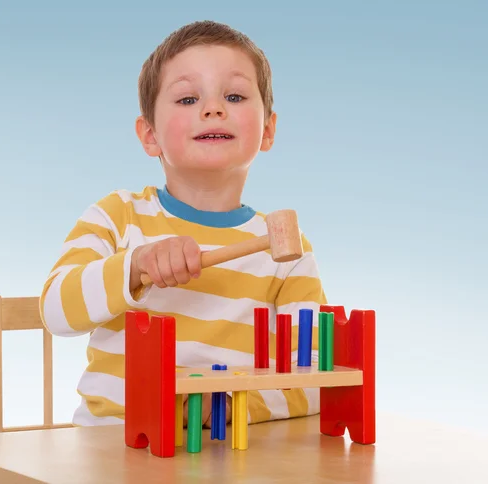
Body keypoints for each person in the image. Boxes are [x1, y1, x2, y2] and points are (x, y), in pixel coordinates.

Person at [40, 20, 327, 428]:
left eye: (234, 95)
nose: (213, 109)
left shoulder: (286, 251)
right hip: (111, 445)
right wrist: (135, 265)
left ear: (268, 129)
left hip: (227, 453)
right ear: (150, 135)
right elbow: (54, 311)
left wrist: (227, 408)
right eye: (188, 98)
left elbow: (317, 376)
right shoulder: (117, 217)